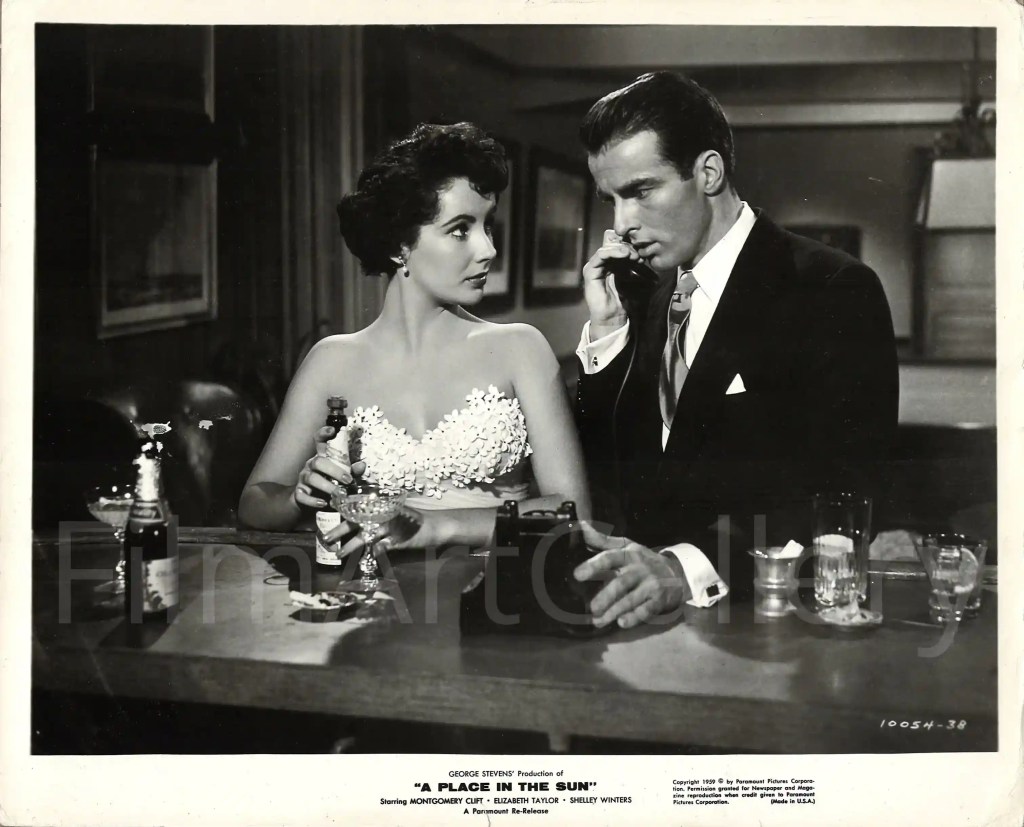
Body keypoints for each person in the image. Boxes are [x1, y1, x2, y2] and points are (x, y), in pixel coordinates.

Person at [571, 72, 899, 628]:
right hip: (641, 616)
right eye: (612, 200)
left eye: (641, 191)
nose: (622, 224)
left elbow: (842, 493)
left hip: (765, 620)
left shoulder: (830, 288)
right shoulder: (652, 298)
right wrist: (607, 332)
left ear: (708, 172)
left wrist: (683, 567)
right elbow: (612, 473)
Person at [239, 122, 591, 554]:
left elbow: (575, 512)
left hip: (497, 584)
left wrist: (436, 525)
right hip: (376, 584)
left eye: (488, 226)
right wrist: (299, 497)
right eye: (460, 229)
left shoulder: (521, 349)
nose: (488, 250)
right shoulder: (330, 361)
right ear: (399, 246)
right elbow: (254, 503)